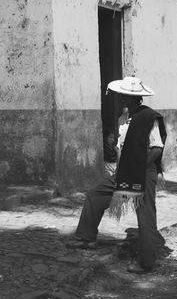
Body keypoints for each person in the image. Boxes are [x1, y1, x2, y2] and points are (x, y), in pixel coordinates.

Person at [68, 76, 167, 274]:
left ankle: (147, 261)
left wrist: (138, 167)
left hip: (144, 172)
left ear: (134, 98)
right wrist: (121, 167)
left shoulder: (149, 118)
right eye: (121, 95)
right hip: (124, 171)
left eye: (125, 95)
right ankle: (85, 238)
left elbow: (156, 148)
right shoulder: (123, 119)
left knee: (145, 214)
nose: (121, 98)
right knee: (96, 194)